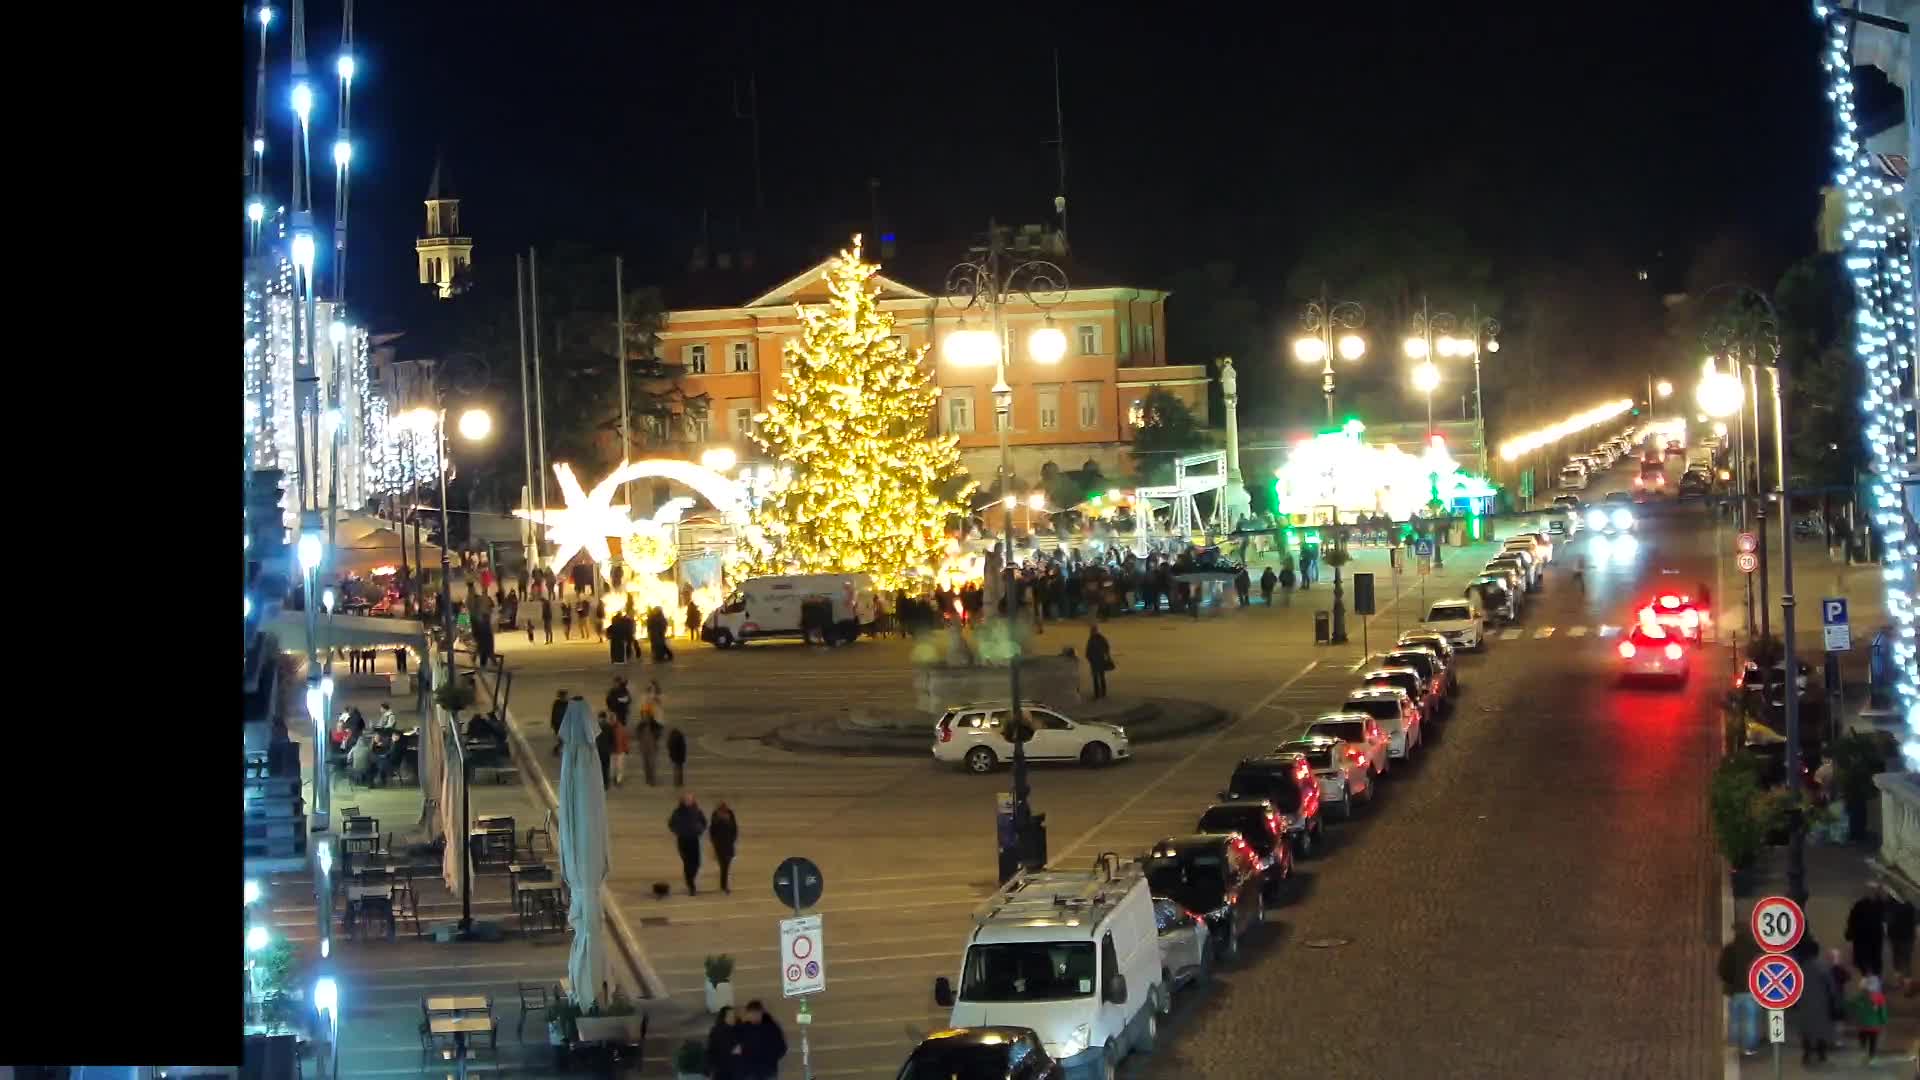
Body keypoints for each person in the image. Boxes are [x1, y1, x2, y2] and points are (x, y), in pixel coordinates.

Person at [1719, 918, 1765, 1055]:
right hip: (1753, 990)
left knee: (1735, 1018)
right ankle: (1748, 1047)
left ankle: (1735, 1042)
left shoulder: (1729, 949)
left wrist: (1729, 982)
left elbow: (1723, 970)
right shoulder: (1756, 949)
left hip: (1735, 990)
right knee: (1751, 1019)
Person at [1793, 946, 1838, 1066]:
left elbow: (1793, 986)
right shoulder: (1823, 967)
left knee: (1805, 1029)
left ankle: (1807, 1053)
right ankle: (1821, 1053)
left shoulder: (1799, 968)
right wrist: (1833, 1001)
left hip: (1804, 1003)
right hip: (1821, 1003)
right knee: (1821, 1029)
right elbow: (1831, 986)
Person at [668, 792, 707, 895]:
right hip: (683, 840)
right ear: (683, 801)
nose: (688, 801)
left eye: (690, 799)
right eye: (686, 799)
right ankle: (691, 885)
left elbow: (704, 822)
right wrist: (678, 831)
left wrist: (699, 830)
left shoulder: (697, 811)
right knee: (687, 862)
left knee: (697, 863)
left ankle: (690, 880)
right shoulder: (678, 812)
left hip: (694, 840)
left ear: (693, 800)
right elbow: (671, 824)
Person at [737, 1000, 788, 1080]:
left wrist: (770, 1059)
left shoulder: (771, 1027)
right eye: (751, 1013)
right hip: (749, 1073)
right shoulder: (743, 1028)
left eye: (755, 1013)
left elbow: (782, 1047)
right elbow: (737, 1048)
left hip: (767, 1072)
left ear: (761, 1013)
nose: (753, 1016)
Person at [1848, 882, 1888, 976]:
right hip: (1871, 937)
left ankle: (1870, 978)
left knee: (1867, 961)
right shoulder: (1878, 904)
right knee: (1873, 961)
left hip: (1865, 937)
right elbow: (1852, 920)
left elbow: (1852, 920)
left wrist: (1850, 933)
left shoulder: (1860, 905)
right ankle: (1872, 979)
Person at [1850, 973, 1888, 1063]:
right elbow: (1882, 1011)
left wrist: (1855, 1015)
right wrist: (1884, 1021)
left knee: (1862, 1039)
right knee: (1873, 1041)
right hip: (1874, 1026)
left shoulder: (1859, 997)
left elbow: (1851, 1005)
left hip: (1862, 1025)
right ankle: (1871, 1056)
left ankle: (1863, 1051)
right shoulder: (1879, 997)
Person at [706, 1006, 743, 1080]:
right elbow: (712, 1052)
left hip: (733, 1071)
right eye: (730, 1016)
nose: (733, 1018)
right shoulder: (718, 1032)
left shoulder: (738, 1029)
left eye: (734, 1015)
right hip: (724, 1071)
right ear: (724, 1017)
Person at [710, 802, 739, 895]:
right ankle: (724, 886)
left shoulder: (730, 816)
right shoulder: (715, 818)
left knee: (725, 866)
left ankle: (724, 885)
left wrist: (733, 839)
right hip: (720, 845)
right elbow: (712, 831)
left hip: (728, 845)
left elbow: (735, 829)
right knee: (724, 866)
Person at [1890, 892, 1917, 985]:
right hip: (1907, 938)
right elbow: (1916, 921)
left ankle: (1898, 979)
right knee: (1906, 960)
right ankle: (1907, 982)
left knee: (1896, 958)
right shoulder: (1910, 907)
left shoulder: (1892, 905)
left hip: (1896, 937)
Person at [634, 701, 662, 787]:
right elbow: (637, 734)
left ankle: (652, 780)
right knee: (646, 764)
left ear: (650, 714)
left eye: (646, 714)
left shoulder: (655, 724)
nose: (645, 716)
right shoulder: (640, 725)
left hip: (652, 747)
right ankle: (648, 778)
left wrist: (656, 736)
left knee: (652, 763)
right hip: (643, 747)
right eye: (643, 714)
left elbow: (659, 732)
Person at [1085, 621, 1113, 701]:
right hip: (1098, 661)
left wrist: (1089, 658)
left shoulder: (1093, 639)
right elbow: (1106, 648)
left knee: (1098, 678)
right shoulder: (1100, 638)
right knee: (1099, 677)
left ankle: (1099, 694)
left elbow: (1088, 650)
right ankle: (1101, 693)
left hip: (1096, 661)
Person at [609, 707, 629, 787]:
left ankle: (619, 780)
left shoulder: (620, 727)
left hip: (620, 750)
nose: (612, 720)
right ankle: (614, 778)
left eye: (613, 718)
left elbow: (624, 738)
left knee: (620, 767)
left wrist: (626, 748)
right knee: (613, 767)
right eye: (611, 719)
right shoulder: (608, 728)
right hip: (612, 751)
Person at [594, 711, 615, 789]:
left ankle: (603, 783)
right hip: (605, 750)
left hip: (601, 750)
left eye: (599, 718)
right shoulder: (608, 726)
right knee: (605, 768)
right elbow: (612, 739)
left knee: (601, 768)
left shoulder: (598, 726)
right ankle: (605, 784)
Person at [550, 690, 570, 757]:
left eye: (564, 696)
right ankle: (556, 750)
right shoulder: (557, 703)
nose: (563, 698)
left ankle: (557, 750)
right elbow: (554, 713)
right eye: (562, 696)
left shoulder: (568, 704)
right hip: (558, 725)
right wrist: (552, 723)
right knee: (562, 740)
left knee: (564, 740)